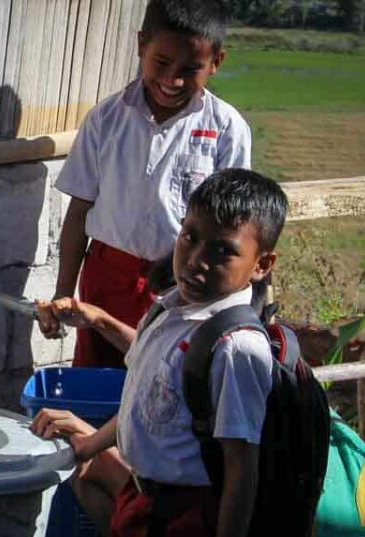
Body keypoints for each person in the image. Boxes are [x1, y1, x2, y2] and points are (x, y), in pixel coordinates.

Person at [35, 169, 286, 537]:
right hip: (147, 501)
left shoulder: (237, 348)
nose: (196, 260)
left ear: (262, 264)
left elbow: (243, 471)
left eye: (222, 251)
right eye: (190, 237)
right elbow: (153, 379)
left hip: (192, 525)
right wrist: (102, 326)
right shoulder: (173, 307)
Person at [37, 0, 251, 368]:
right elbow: (78, 213)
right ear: (141, 46)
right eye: (162, 63)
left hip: (183, 285)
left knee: (166, 383)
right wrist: (62, 293)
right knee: (97, 382)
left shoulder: (227, 130)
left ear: (216, 62)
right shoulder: (106, 119)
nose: (172, 80)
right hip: (106, 279)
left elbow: (237, 229)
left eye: (190, 69)